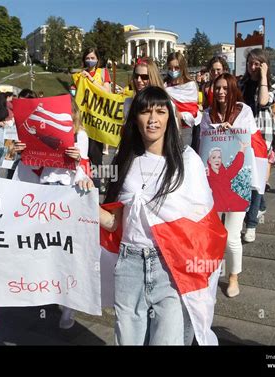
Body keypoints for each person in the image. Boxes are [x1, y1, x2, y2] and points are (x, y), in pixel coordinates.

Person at [97, 86, 227, 345]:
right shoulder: (125, 161)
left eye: (160, 111)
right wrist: (86, 201)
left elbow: (203, 222)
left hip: (169, 265)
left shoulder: (187, 162)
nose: (153, 119)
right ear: (135, 118)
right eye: (145, 112)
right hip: (130, 265)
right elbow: (114, 223)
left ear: (170, 116)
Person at [12, 99, 89, 329]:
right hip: (44, 193)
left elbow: (85, 167)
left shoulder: (80, 136)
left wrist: (78, 159)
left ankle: (69, 305)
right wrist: (21, 151)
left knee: (67, 250)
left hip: (68, 193)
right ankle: (48, 290)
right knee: (47, 248)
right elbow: (31, 164)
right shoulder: (41, 131)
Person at [200, 73, 268, 298]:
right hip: (213, 185)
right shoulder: (208, 114)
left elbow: (249, 144)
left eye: (225, 88)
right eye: (217, 88)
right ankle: (214, 271)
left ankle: (233, 277)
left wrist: (231, 131)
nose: (220, 92)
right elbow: (203, 144)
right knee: (214, 233)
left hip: (238, 183)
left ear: (232, 90)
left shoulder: (244, 111)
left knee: (231, 235)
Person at [238, 48, 275, 243]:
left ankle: (251, 224)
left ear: (263, 65)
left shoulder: (271, 84)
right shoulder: (242, 83)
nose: (252, 67)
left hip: (262, 134)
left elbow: (263, 102)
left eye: (256, 64)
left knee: (256, 180)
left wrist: (263, 77)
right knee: (247, 177)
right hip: (243, 134)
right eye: (250, 63)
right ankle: (260, 206)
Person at [73, 47, 112, 190]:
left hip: (97, 120)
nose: (90, 61)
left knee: (96, 156)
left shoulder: (103, 73)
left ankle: (96, 183)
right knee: (83, 153)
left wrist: (91, 80)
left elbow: (107, 92)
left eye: (92, 58)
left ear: (97, 59)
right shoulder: (79, 75)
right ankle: (82, 181)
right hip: (83, 120)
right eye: (87, 58)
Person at [164, 52, 202, 148]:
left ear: (182, 67)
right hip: (168, 129)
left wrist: (179, 115)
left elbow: (192, 110)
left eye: (176, 68)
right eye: (170, 68)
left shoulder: (190, 85)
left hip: (186, 129)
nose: (173, 71)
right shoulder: (164, 85)